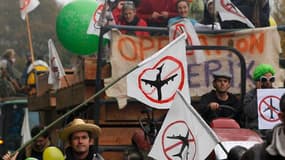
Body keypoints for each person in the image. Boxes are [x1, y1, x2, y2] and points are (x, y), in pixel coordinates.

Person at [241, 93, 285, 160]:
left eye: (271, 81)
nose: (267, 82)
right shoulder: (256, 154)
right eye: (264, 81)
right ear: (282, 117)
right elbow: (249, 112)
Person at [243, 64, 275, 138]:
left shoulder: (277, 94)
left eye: (271, 79)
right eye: (264, 79)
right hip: (256, 131)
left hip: (273, 131)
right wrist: (259, 94)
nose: (268, 82)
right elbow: (250, 113)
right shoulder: (250, 95)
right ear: (258, 81)